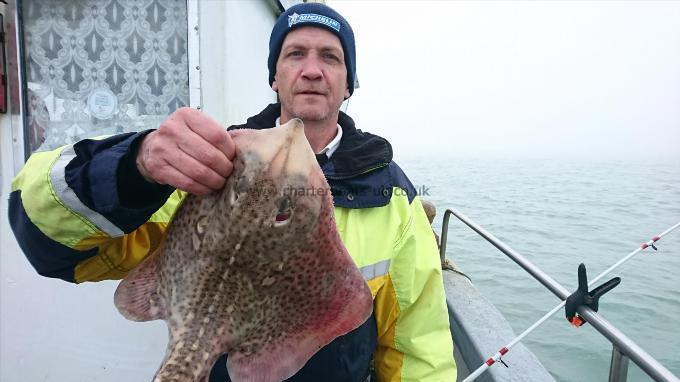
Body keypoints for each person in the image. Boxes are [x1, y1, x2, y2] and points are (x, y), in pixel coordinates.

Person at [8, 3, 456, 381]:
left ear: (348, 83)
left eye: (331, 58)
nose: (313, 70)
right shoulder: (209, 166)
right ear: (275, 77)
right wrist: (135, 166)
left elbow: (419, 345)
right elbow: (48, 243)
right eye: (295, 53)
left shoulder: (391, 195)